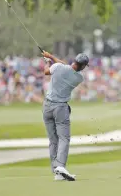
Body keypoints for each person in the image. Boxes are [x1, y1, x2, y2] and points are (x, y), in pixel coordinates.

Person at [41, 51, 89, 181]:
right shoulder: (79, 77)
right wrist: (51, 57)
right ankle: (60, 166)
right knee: (64, 138)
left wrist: (48, 62)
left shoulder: (57, 68)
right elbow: (65, 67)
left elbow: (47, 72)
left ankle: (56, 171)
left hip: (46, 107)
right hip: (60, 108)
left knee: (53, 140)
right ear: (83, 66)